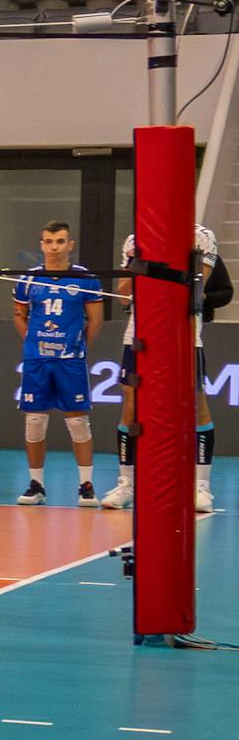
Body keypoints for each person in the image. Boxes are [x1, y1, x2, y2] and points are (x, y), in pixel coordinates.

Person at [101, 218, 224, 517]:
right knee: (131, 403)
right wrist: (138, 264)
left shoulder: (202, 236)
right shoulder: (135, 239)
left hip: (184, 333)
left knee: (196, 402)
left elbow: (196, 288)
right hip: (139, 333)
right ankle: (127, 483)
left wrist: (154, 271)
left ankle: (201, 486)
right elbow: (124, 289)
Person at [10, 220, 105, 504]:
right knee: (35, 421)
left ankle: (86, 485)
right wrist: (33, 343)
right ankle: (36, 485)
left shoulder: (85, 278)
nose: (54, 247)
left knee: (78, 422)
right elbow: (19, 315)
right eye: (49, 242)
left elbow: (96, 319)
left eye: (60, 241)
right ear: (42, 245)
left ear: (70, 245)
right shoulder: (28, 279)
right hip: (38, 360)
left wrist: (78, 346)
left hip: (70, 361)